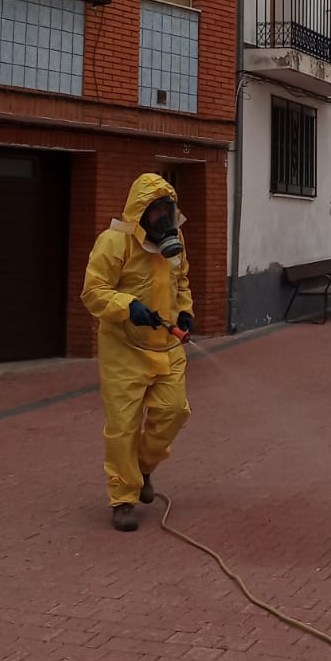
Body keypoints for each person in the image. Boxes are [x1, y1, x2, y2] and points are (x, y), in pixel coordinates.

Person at [81, 173, 195, 531]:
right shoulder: (114, 242)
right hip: (124, 349)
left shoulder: (175, 241)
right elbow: (93, 292)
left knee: (174, 411)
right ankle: (123, 499)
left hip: (166, 346)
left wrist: (185, 311)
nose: (165, 217)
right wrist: (127, 306)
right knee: (123, 427)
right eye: (157, 210)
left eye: (168, 209)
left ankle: (143, 467)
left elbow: (181, 281)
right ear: (141, 212)